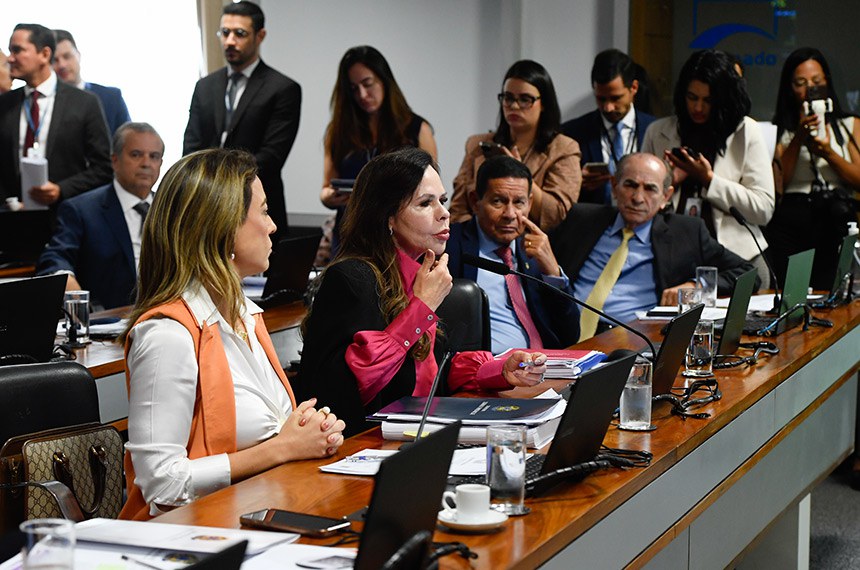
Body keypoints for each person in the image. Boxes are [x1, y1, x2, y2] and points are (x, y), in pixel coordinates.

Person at [119, 149, 345, 520]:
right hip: (188, 537)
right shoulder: (167, 335)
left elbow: (271, 437)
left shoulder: (248, 315)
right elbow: (161, 485)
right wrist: (283, 448)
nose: (273, 226)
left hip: (254, 514)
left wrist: (309, 434)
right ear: (223, 227)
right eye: (264, 211)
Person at [297, 148, 548, 436]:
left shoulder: (418, 271)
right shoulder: (352, 278)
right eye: (425, 204)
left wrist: (499, 370)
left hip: (416, 435)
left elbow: (428, 372)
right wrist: (421, 307)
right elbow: (350, 389)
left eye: (442, 200)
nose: (444, 214)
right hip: (360, 445)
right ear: (388, 216)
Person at [550, 153, 758, 340]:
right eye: (630, 185)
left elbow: (748, 273)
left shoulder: (686, 232)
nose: (638, 198)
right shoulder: (581, 218)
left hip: (631, 339)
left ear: (666, 197)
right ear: (614, 186)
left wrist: (695, 286)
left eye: (650, 189)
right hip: (562, 334)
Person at [642, 49, 774, 288]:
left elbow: (763, 209)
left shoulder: (746, 131)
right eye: (692, 97)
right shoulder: (658, 131)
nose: (698, 107)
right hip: (675, 263)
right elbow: (638, 206)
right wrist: (672, 179)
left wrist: (709, 180)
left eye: (708, 100)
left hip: (739, 260)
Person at [183, 1, 301, 239]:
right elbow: (191, 146)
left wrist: (222, 183)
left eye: (240, 34)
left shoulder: (282, 88)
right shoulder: (205, 86)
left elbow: (271, 156)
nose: (229, 41)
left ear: (260, 36)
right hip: (206, 209)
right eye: (225, 33)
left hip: (256, 207)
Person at [446, 155, 580, 353]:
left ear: (530, 203)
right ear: (475, 202)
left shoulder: (535, 252)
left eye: (519, 202)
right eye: (498, 202)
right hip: (490, 370)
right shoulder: (450, 247)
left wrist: (553, 273)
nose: (510, 214)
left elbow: (569, 334)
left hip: (546, 364)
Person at [320, 45, 437, 257]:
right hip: (351, 231)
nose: (362, 95)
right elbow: (326, 188)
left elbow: (431, 192)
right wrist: (330, 197)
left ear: (384, 81)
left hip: (400, 234)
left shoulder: (417, 130)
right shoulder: (338, 131)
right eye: (354, 89)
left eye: (368, 84)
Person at [36, 122, 163, 309]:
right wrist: (66, 280)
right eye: (136, 155)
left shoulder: (172, 210)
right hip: (108, 321)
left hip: (167, 317)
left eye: (154, 157)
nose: (146, 163)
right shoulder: (81, 210)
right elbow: (55, 258)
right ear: (115, 160)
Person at [765, 47, 860, 290]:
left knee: (834, 294)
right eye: (801, 82)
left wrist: (827, 152)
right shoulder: (777, 131)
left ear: (827, 81)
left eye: (816, 81)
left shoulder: (848, 125)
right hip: (790, 225)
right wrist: (798, 138)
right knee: (791, 293)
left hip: (834, 222)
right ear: (789, 87)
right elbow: (777, 185)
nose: (810, 89)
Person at [450, 60, 581, 231]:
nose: (514, 106)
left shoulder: (564, 148)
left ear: (544, 104)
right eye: (508, 98)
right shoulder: (477, 145)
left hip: (528, 244)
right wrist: (472, 241)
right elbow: (458, 208)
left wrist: (519, 171)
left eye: (525, 99)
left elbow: (556, 213)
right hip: (476, 242)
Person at [0, 23, 111, 206]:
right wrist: (8, 203)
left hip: (67, 219)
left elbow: (103, 168)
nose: (10, 59)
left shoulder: (85, 103)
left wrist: (62, 190)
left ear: (44, 54)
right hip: (12, 220)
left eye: (17, 50)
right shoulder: (5, 104)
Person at [562, 49, 655, 205]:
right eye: (601, 99)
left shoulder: (655, 129)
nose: (608, 108)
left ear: (634, 88)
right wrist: (576, 182)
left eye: (615, 98)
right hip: (592, 223)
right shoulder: (571, 132)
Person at [52, 29, 131, 135]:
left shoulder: (111, 98)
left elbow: (129, 141)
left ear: (78, 55)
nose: (62, 65)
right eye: (54, 60)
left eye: (67, 56)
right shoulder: (44, 102)